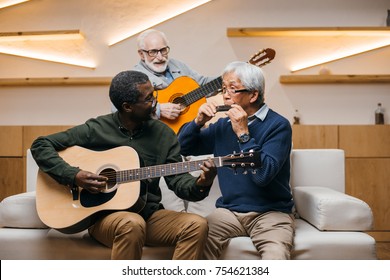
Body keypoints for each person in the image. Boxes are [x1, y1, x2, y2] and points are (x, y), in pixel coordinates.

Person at [31, 70, 217, 260]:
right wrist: (73, 175)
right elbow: (40, 144)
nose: (155, 103)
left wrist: (202, 182)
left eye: (154, 96)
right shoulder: (97, 128)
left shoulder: (164, 134)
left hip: (149, 215)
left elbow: (178, 182)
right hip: (104, 219)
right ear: (127, 107)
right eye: (148, 99)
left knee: (196, 224)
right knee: (131, 223)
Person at [178, 61, 295, 260]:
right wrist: (197, 123)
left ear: (253, 95)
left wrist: (243, 133)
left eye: (232, 89)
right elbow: (183, 147)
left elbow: (262, 176)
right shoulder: (222, 126)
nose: (225, 95)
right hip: (229, 212)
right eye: (223, 89)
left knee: (276, 256)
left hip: (271, 213)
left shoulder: (279, 126)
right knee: (197, 243)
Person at [131, 28, 216, 120]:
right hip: (157, 132)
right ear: (141, 54)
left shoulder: (177, 65)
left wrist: (227, 79)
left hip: (191, 127)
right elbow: (119, 109)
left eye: (163, 50)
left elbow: (201, 84)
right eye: (153, 52)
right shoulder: (134, 77)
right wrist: (157, 109)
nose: (160, 57)